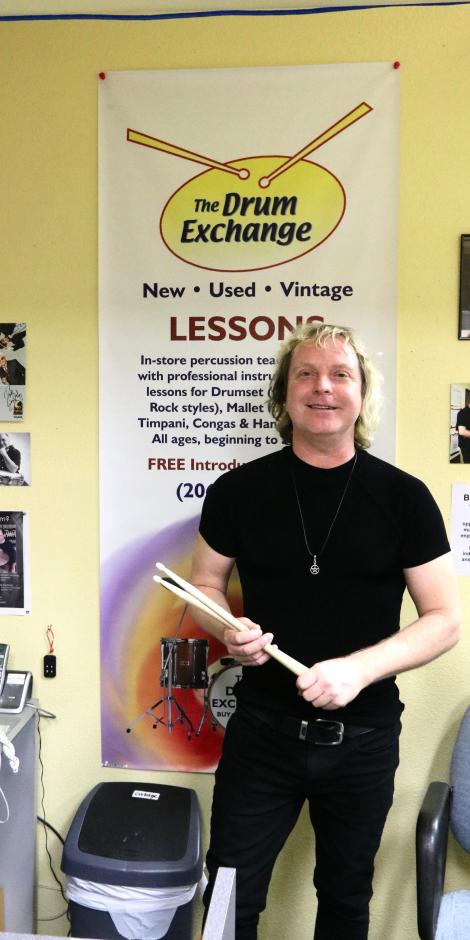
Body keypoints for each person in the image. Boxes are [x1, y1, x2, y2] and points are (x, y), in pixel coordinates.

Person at [190, 323, 460, 940]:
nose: (323, 387)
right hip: (261, 733)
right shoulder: (237, 491)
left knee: (345, 898)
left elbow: (446, 619)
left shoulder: (405, 498)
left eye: (341, 375)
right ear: (284, 395)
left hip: (363, 738)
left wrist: (358, 670)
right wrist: (226, 628)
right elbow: (204, 585)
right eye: (305, 375)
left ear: (362, 396)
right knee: (229, 894)